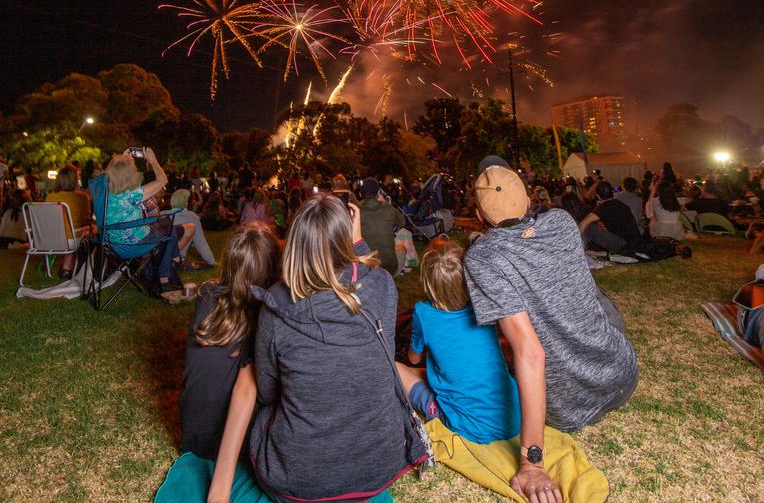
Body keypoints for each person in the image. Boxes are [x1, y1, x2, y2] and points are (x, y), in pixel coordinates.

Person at [465, 156, 637, 503]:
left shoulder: (483, 258)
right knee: (598, 299)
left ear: (481, 217)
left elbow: (530, 352)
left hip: (568, 410)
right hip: (622, 378)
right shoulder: (561, 222)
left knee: (502, 335)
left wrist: (533, 463)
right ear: (529, 199)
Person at [248, 195, 419, 503]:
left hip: (297, 479)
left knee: (260, 412)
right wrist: (356, 241)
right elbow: (367, 273)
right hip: (375, 468)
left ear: (296, 242)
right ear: (347, 241)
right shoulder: (382, 286)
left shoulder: (276, 305)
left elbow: (267, 392)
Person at [181, 225, 281, 503]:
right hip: (235, 446)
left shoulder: (206, 297)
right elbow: (246, 389)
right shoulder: (267, 318)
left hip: (193, 437)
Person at [397, 237, 521, 443]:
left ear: (428, 282)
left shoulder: (424, 313)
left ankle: (437, 409)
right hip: (514, 418)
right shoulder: (483, 305)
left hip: (469, 426)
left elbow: (415, 358)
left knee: (397, 368)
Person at [105, 148, 194, 299]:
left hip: (114, 242)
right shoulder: (132, 196)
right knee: (168, 227)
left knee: (167, 227)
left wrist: (122, 160)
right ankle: (165, 278)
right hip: (134, 241)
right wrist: (153, 161)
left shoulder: (108, 193)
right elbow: (162, 181)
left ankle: (168, 264)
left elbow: (120, 176)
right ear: (129, 175)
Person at [46, 165, 93, 277]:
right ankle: (69, 268)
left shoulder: (50, 197)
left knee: (71, 231)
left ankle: (66, 268)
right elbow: (85, 221)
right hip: (70, 240)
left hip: (48, 239)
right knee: (89, 229)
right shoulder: (82, 197)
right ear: (75, 180)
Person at [359, 177, 406, 275]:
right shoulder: (388, 209)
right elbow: (402, 222)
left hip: (368, 268)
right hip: (390, 268)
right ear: (378, 193)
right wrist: (385, 202)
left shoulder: (357, 213)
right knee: (402, 246)